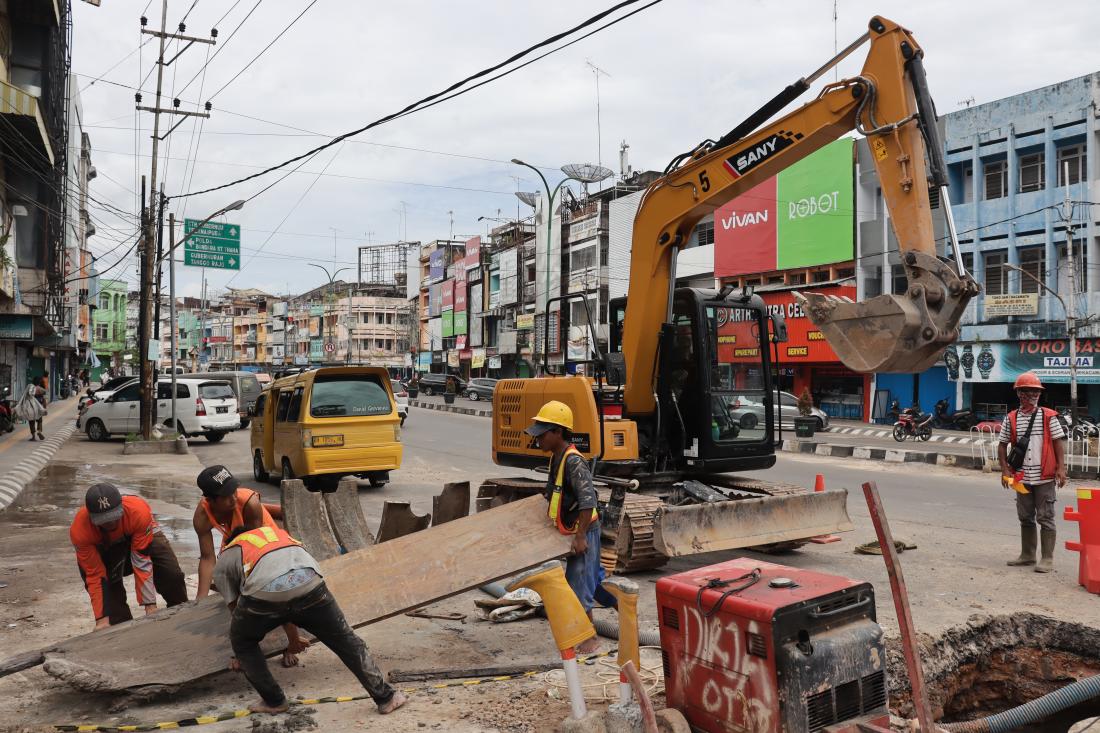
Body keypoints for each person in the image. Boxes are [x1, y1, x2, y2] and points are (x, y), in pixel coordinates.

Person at [215, 524, 407, 716]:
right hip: (310, 583)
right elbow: (288, 602)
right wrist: (293, 639)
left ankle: (274, 701)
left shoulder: (228, 554)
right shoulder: (278, 534)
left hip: (264, 593)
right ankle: (386, 698)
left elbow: (236, 608)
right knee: (344, 638)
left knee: (243, 642)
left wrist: (242, 656)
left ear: (231, 540)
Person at [525, 400, 603, 654]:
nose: (538, 440)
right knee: (587, 580)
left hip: (584, 530)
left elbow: (587, 500)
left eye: (542, 434)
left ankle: (589, 639)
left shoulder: (573, 462)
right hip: (571, 529)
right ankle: (618, 603)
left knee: (580, 584)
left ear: (558, 432)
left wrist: (580, 537)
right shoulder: (556, 457)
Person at [70, 483, 188, 628]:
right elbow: (94, 575)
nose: (110, 522)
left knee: (171, 574)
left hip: (138, 536)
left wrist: (150, 607)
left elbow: (141, 560)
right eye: (103, 520)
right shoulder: (80, 530)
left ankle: (181, 612)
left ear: (121, 505)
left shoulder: (138, 511)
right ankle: (121, 628)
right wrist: (102, 620)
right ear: (91, 516)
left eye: (114, 516)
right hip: (104, 548)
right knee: (114, 611)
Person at [997, 371, 1067, 573]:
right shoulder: (1011, 418)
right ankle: (1027, 555)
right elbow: (1002, 446)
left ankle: (1046, 558)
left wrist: (1061, 468)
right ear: (1018, 393)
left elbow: (1058, 443)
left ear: (1039, 394)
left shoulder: (1048, 416)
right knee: (1025, 516)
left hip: (1044, 477)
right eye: (1025, 391)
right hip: (1021, 477)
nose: (1030, 395)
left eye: (1034, 391)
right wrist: (1004, 471)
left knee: (1046, 517)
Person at [193, 465, 284, 599]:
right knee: (223, 571)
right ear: (210, 500)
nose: (234, 498)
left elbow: (255, 553)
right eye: (226, 495)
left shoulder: (250, 504)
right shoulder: (202, 517)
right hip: (237, 541)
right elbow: (207, 558)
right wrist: (200, 600)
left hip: (265, 546)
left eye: (234, 490)